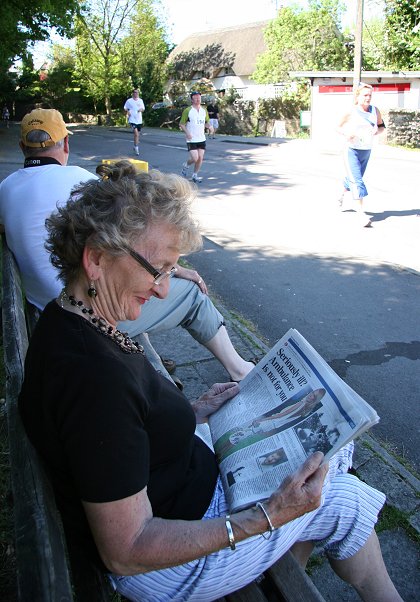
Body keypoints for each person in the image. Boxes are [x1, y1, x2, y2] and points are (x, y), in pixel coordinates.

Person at [18, 162, 402, 602]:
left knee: (332, 449)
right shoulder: (92, 378)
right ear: (97, 259)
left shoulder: (73, 315)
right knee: (341, 495)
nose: (164, 290)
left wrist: (191, 412)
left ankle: (275, 558)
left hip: (183, 488)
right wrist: (268, 516)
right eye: (157, 269)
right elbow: (127, 550)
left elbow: (120, 431)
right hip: (165, 565)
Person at [0, 108, 255, 382]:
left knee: (129, 290)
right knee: (190, 294)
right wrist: (176, 270)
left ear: (22, 147)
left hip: (47, 309)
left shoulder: (5, 189)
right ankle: (239, 369)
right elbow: (134, 239)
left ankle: (155, 372)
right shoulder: (80, 182)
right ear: (65, 144)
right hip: (86, 307)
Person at [337, 83, 385, 228]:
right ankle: (361, 214)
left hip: (366, 150)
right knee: (357, 181)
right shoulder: (351, 111)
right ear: (357, 97)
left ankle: (341, 194)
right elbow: (337, 127)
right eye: (365, 95)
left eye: (370, 95)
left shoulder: (375, 111)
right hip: (351, 150)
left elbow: (382, 127)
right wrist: (346, 133)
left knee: (354, 178)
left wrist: (377, 132)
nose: (368, 98)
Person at [180, 91, 213, 183]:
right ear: (192, 99)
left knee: (200, 158)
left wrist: (210, 127)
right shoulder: (188, 110)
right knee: (195, 158)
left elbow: (206, 122)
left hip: (201, 138)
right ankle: (186, 165)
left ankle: (195, 175)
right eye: (195, 97)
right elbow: (182, 124)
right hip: (191, 139)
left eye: (199, 97)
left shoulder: (204, 110)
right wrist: (187, 133)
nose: (198, 99)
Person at [124, 89, 145, 156]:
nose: (136, 94)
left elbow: (143, 108)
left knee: (137, 135)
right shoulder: (129, 101)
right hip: (132, 119)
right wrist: (128, 111)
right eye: (135, 92)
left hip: (139, 120)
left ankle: (135, 145)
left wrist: (140, 110)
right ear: (133, 93)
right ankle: (136, 148)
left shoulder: (140, 100)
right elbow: (125, 107)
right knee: (136, 133)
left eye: (137, 93)